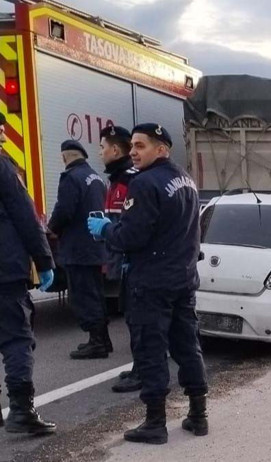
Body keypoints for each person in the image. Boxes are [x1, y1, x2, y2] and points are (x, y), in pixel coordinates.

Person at [88, 123, 208, 445]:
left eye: (141, 146)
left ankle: (155, 423)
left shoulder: (144, 184)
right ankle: (198, 415)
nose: (133, 153)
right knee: (187, 347)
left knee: (151, 350)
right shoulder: (185, 180)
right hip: (182, 279)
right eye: (133, 147)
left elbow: (131, 236)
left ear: (161, 149)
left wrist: (105, 230)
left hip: (152, 283)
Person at [0, 113, 57, 434]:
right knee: (17, 339)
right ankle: (21, 410)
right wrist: (45, 260)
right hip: (5, 271)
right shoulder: (3, 167)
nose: (4, 133)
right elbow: (26, 216)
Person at [47, 140, 109, 360]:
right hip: (94, 246)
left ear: (65, 157)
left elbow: (64, 211)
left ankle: (97, 342)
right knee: (96, 294)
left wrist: (51, 228)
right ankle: (102, 339)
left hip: (78, 249)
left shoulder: (71, 178)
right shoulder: (95, 177)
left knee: (83, 296)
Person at [99, 126, 142, 393]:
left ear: (115, 150)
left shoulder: (127, 180)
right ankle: (141, 365)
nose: (101, 153)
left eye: (102, 147)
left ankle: (143, 370)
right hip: (128, 259)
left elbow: (126, 226)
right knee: (131, 316)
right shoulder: (120, 178)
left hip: (133, 261)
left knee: (137, 318)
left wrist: (105, 229)